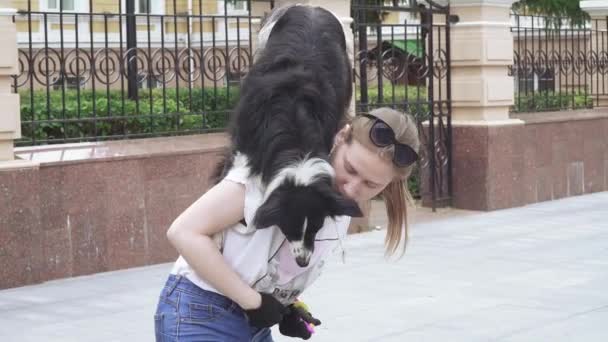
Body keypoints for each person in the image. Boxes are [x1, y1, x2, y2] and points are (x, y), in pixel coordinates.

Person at [154, 107, 421, 341]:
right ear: (341, 137)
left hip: (250, 321)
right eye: (350, 169)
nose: (351, 189)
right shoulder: (275, 174)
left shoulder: (341, 202)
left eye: (371, 184)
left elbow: (268, 261)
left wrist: (287, 306)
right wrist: (254, 302)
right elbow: (184, 232)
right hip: (200, 313)